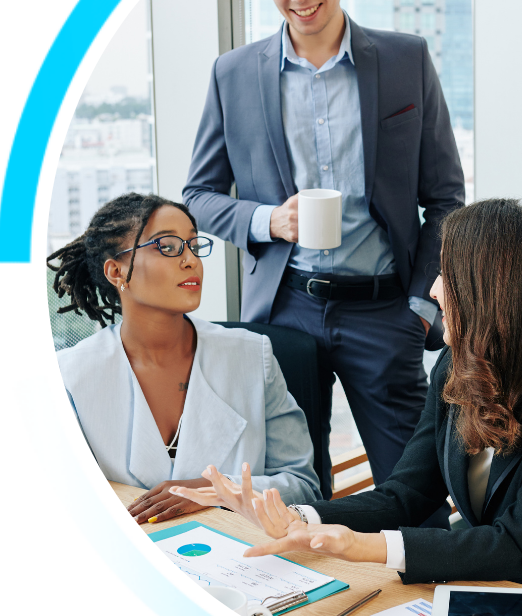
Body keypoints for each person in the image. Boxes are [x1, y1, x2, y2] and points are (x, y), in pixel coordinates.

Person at [169, 199, 522, 601]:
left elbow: (519, 542)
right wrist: (295, 517)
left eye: (448, 273)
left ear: (498, 291)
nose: (435, 287)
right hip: (481, 586)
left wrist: (365, 547)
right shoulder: (458, 363)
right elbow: (405, 496)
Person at [182, 0, 466, 501]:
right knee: (293, 493)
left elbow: (445, 198)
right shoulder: (232, 75)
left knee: (413, 493)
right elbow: (199, 196)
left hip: (385, 314)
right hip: (284, 313)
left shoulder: (404, 59)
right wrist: (268, 220)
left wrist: (420, 305)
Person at [48, 192, 320, 524]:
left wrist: (213, 491)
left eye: (193, 244)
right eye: (167, 246)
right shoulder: (71, 376)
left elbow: (304, 486)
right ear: (117, 272)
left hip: (244, 558)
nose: (190, 259)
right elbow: (62, 499)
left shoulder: (252, 355)